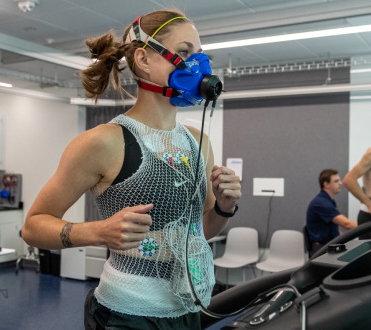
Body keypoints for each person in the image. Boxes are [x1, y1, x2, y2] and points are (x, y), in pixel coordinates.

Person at [22, 9, 241, 330]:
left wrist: (225, 207)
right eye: (183, 52)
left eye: (200, 53)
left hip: (190, 307)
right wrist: (97, 232)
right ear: (144, 59)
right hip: (128, 313)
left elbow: (201, 231)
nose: (198, 64)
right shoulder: (103, 142)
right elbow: (33, 227)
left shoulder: (199, 141)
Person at [306, 169, 357, 256]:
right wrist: (369, 226)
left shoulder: (328, 201)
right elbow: (346, 224)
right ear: (326, 184)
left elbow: (335, 229)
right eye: (336, 181)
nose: (340, 183)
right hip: (321, 249)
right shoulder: (321, 203)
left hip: (328, 245)